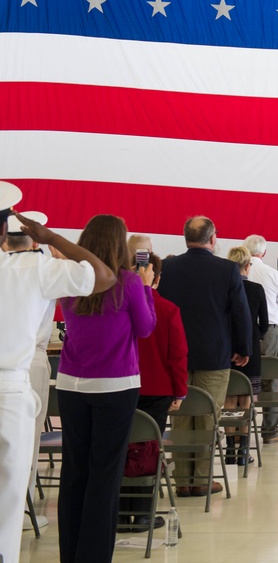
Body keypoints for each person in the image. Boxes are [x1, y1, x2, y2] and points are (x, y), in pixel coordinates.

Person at [0, 182, 115, 563]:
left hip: (15, 385)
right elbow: (103, 276)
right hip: (9, 390)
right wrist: (52, 239)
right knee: (9, 500)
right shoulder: (36, 267)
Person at [57, 214, 157, 563]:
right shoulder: (128, 282)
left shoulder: (71, 277)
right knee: (105, 474)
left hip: (70, 382)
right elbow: (145, 329)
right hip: (116, 384)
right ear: (119, 243)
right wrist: (147, 287)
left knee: (75, 472)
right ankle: (94, 556)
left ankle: (70, 553)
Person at [157, 216, 251, 497]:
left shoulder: (168, 267)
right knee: (209, 416)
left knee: (181, 416)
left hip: (176, 355)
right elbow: (240, 312)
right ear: (212, 239)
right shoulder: (227, 269)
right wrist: (243, 348)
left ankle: (182, 480)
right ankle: (202, 480)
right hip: (214, 353)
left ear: (186, 238)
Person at [118, 253, 188, 533]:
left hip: (123, 386)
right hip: (158, 390)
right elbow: (177, 356)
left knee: (122, 450)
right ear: (157, 278)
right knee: (149, 452)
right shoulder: (169, 309)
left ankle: (121, 513)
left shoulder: (119, 307)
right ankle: (145, 514)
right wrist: (180, 391)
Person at [3, 211, 56, 531]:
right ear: (35, 238)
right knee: (27, 442)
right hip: (30, 362)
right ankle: (21, 510)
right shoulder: (42, 269)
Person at [223, 247, 269, 465]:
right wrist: (251, 340)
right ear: (248, 266)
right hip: (250, 351)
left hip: (227, 349)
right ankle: (243, 451)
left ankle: (230, 449)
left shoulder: (222, 288)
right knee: (247, 400)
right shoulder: (256, 289)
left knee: (230, 400)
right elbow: (264, 324)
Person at [244, 234, 278, 444]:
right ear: (264, 252)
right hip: (268, 329)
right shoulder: (272, 274)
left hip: (240, 331)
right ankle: (269, 431)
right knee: (271, 378)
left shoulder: (234, 273)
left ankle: (240, 430)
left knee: (240, 381)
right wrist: (272, 322)